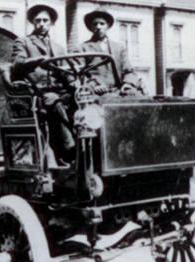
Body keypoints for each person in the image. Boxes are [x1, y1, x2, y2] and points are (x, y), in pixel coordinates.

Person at [11, 4, 75, 164]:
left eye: (45, 20)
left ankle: (89, 147)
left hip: (60, 91)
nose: (42, 23)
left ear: (51, 23)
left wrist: (75, 85)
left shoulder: (59, 47)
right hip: (39, 93)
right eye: (38, 20)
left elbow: (65, 71)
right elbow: (17, 63)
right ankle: (69, 149)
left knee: (83, 100)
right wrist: (37, 60)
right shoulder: (24, 42)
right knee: (54, 100)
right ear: (33, 22)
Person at [74, 7, 139, 96]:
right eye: (95, 24)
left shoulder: (119, 48)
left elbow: (129, 71)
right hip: (96, 92)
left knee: (138, 98)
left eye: (102, 23)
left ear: (108, 26)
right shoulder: (82, 48)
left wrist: (128, 84)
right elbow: (79, 74)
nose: (98, 27)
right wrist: (93, 85)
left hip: (119, 91)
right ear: (91, 27)